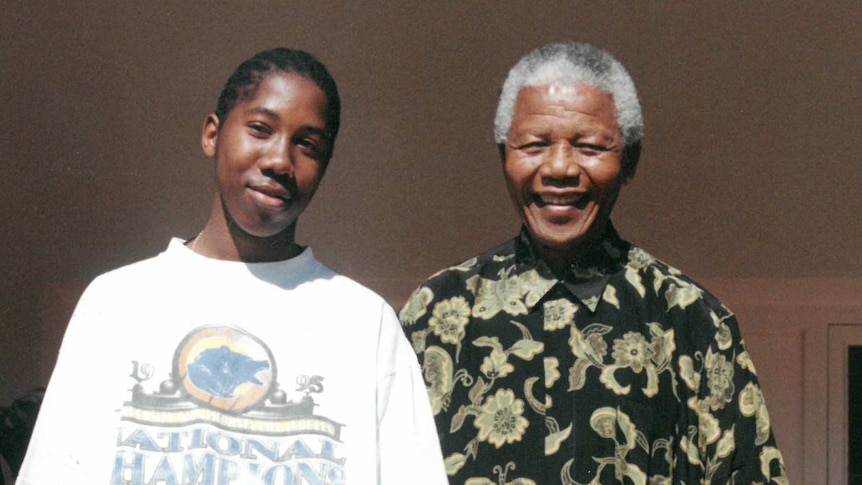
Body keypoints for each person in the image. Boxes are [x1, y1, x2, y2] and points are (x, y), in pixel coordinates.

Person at [18, 48, 446, 485]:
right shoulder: (117, 302)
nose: (280, 160)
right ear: (211, 135)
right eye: (260, 129)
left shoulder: (364, 323)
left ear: (325, 165)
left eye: (307, 144)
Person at [399, 42, 788, 484]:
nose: (560, 167)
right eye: (534, 145)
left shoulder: (692, 322)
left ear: (630, 161)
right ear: (502, 155)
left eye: (588, 147)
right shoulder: (436, 313)